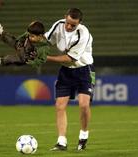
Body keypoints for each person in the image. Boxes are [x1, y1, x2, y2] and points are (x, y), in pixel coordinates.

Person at [45, 8, 95, 151]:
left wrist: (46, 58)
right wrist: (32, 39)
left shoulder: (83, 33)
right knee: (60, 105)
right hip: (66, 71)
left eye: (73, 25)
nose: (68, 26)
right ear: (65, 17)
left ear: (79, 23)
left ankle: (83, 136)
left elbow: (71, 58)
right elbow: (46, 41)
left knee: (84, 105)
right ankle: (61, 142)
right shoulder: (58, 25)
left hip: (85, 69)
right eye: (67, 22)